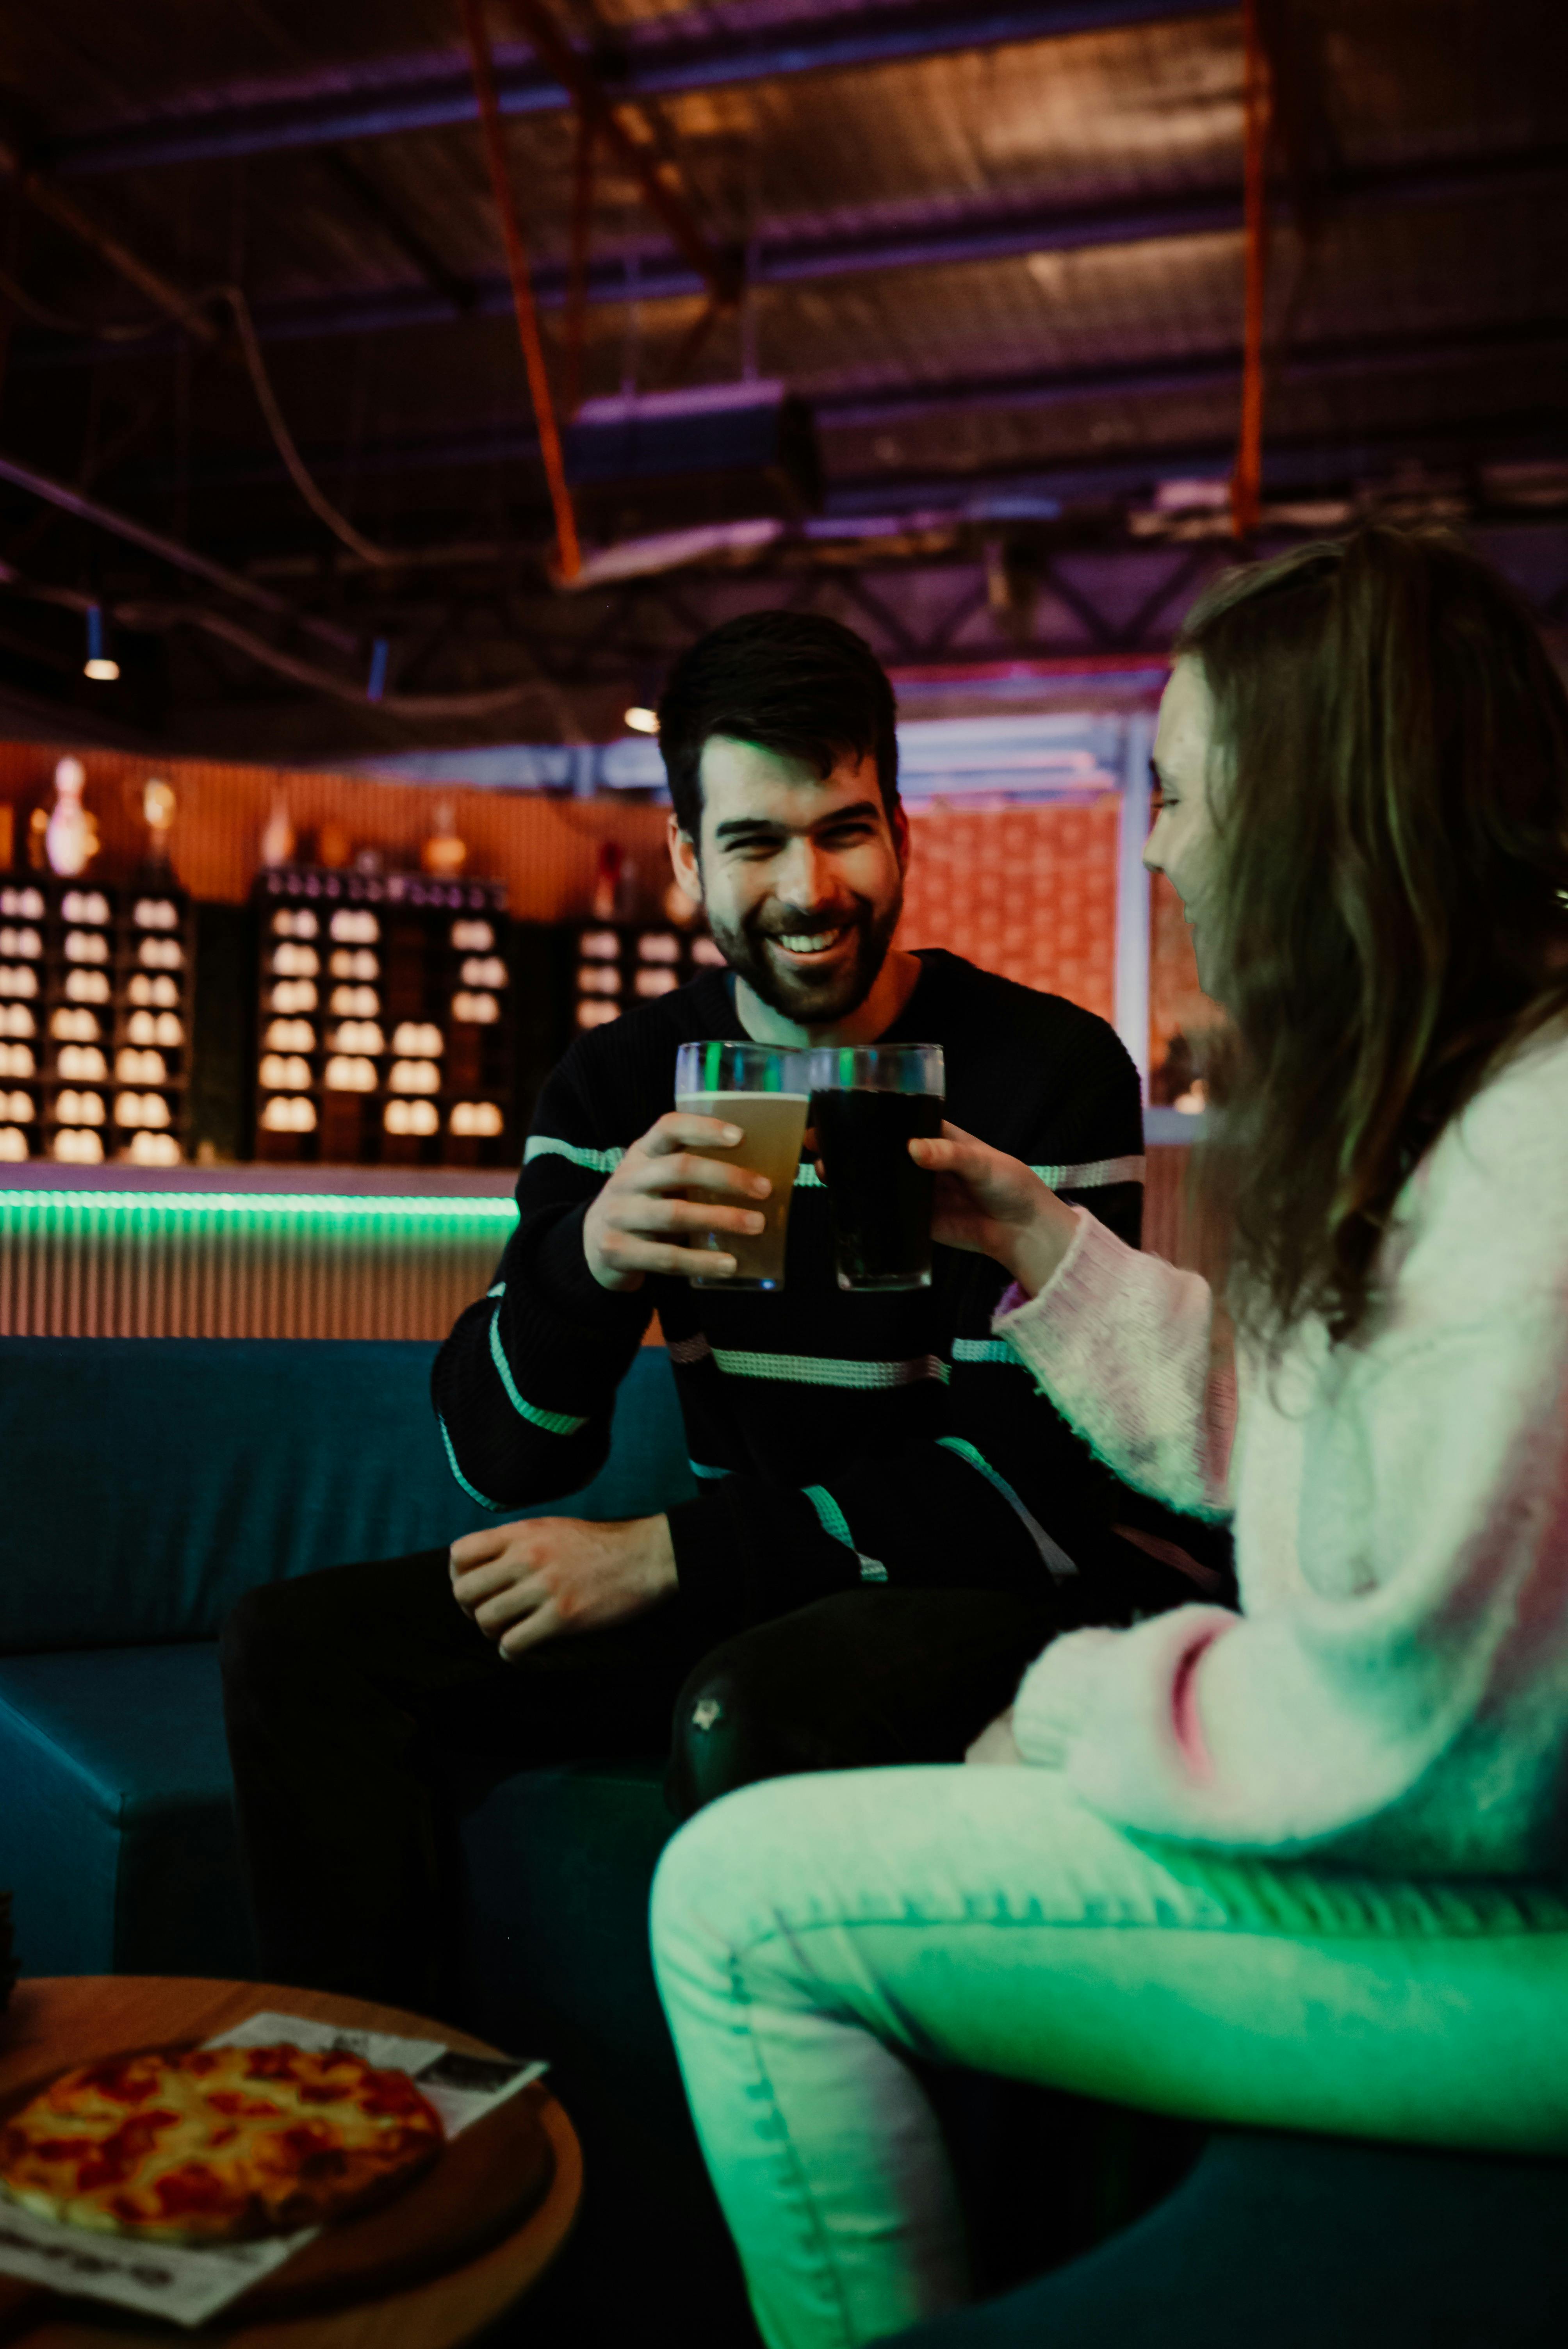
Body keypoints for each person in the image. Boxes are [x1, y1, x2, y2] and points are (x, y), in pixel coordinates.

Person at [649, 527, 1568, 2349]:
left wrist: (1070, 1710)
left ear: (1321, 821)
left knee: (734, 1910)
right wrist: (1039, 1243)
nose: (1150, 845)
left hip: (1516, 1938)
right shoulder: (1465, 1104)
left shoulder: (1525, 1173)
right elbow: (1307, 1439)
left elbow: (1421, 1738)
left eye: (1173, 792)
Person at [221, 610, 1212, 2017]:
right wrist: (590, 1262)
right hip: (754, 1588)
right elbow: (508, 1459)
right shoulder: (624, 1086)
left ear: (902, 830)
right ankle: (381, 2106)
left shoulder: (1046, 1069)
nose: (812, 887)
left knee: (747, 1701)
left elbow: (1030, 1498)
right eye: (756, 844)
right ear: (688, 855)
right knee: (296, 1645)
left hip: (991, 1609)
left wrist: (663, 1560)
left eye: (845, 829)